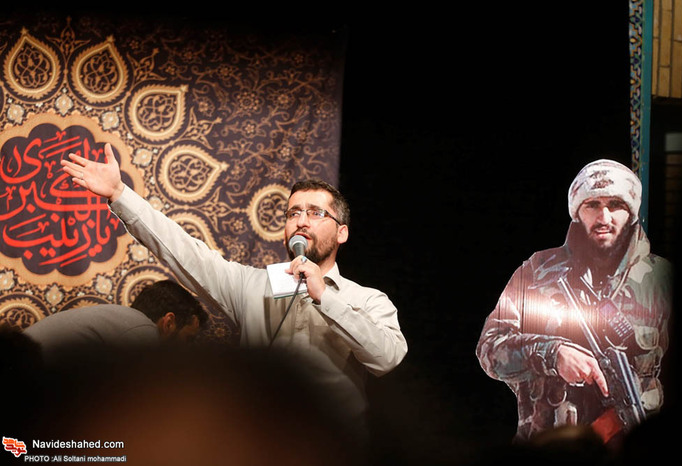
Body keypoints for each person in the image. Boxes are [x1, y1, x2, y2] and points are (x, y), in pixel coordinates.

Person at [60, 143, 408, 445]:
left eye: (316, 213)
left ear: (342, 233)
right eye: (293, 213)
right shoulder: (251, 286)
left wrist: (325, 298)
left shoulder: (367, 299)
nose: (301, 221)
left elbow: (387, 358)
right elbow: (185, 252)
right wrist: (120, 194)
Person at [476, 159, 671, 449]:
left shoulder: (662, 280)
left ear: (631, 212)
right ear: (578, 212)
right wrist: (553, 354)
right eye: (592, 204)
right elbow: (489, 349)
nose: (604, 216)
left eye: (616, 204)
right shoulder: (536, 272)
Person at [23, 279, 207, 366]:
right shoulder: (142, 331)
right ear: (169, 323)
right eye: (188, 339)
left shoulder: (123, 322)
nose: (187, 350)